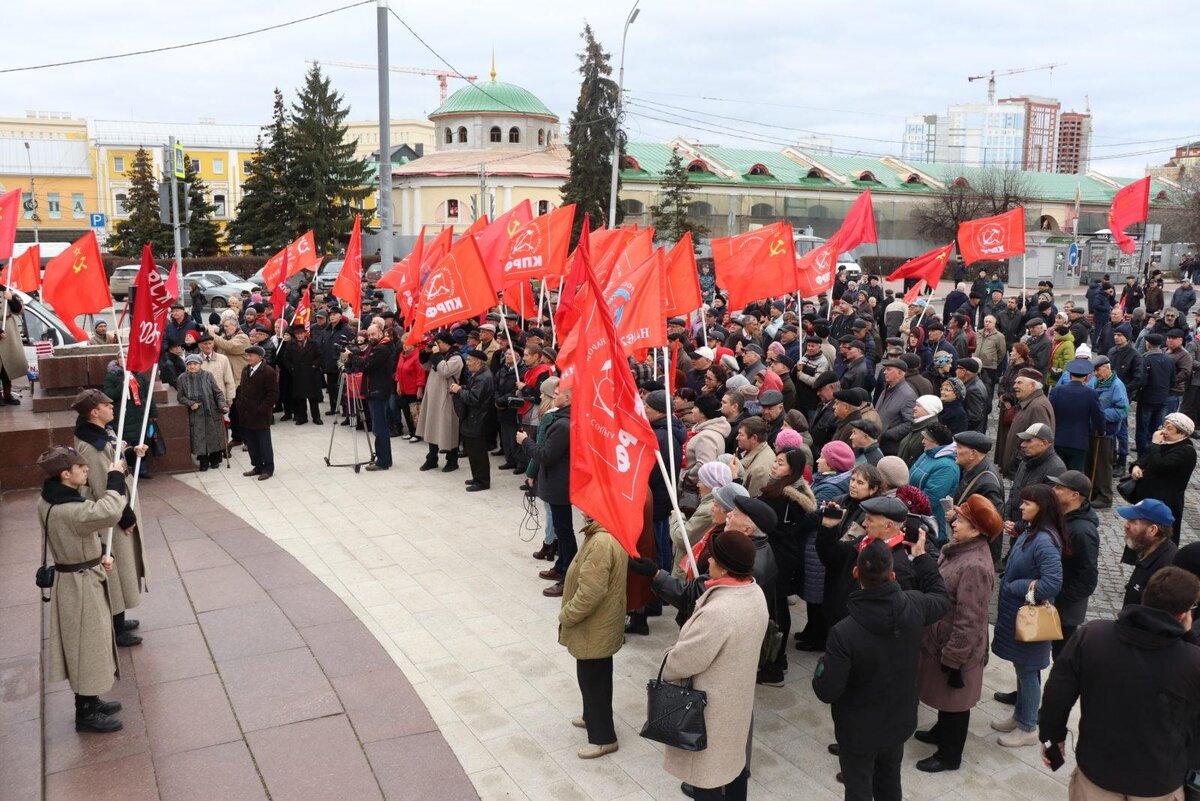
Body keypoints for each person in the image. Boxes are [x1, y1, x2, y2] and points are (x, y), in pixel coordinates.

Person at [1040, 566, 1200, 801]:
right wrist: (1186, 636)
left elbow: (1057, 693)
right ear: (1183, 614)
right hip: (1157, 782)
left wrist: (1052, 737)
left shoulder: (1092, 636)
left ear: (1145, 598)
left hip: (1097, 774)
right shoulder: (1192, 662)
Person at [813, 532, 950, 797]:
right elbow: (941, 598)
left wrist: (824, 663)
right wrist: (922, 559)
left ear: (856, 573)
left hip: (857, 729)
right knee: (889, 782)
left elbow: (826, 689)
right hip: (898, 720)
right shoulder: (915, 604)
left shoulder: (845, 632)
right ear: (893, 575)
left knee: (858, 789)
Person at [658, 530, 768, 801]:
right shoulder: (755, 594)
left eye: (713, 558)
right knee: (734, 766)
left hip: (711, 709)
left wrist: (666, 661)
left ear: (724, 565)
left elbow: (685, 660)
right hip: (737, 700)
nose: (708, 562)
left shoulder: (720, 612)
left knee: (707, 778)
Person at [37, 446, 131, 734]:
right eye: (81, 468)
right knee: (86, 646)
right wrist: (115, 479)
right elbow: (110, 511)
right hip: (80, 584)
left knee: (90, 643)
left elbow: (79, 535)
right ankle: (85, 713)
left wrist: (97, 553)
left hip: (79, 573)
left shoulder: (48, 501)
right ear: (66, 475)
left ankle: (91, 700)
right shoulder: (72, 510)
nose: (86, 469)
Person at [913, 494, 999, 773]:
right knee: (945, 697)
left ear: (976, 530)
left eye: (960, 520)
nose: (954, 523)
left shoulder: (974, 565)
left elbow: (970, 618)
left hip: (956, 648)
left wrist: (954, 656)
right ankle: (941, 731)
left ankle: (950, 756)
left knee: (955, 702)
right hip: (942, 639)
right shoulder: (962, 549)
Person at [990, 484, 1065, 747]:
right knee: (1022, 668)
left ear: (1041, 508)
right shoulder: (1033, 531)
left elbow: (1052, 583)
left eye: (1027, 503)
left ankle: (1028, 726)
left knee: (1028, 671)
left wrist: (1018, 587)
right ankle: (1021, 715)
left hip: (1029, 618)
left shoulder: (1044, 540)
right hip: (1017, 615)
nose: (1021, 507)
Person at [71, 389, 146, 648]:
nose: (112, 407)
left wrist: (131, 452)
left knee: (121, 567)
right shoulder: (92, 443)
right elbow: (103, 485)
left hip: (117, 504)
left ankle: (119, 616)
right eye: (107, 405)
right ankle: (115, 626)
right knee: (113, 568)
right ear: (94, 412)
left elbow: (113, 462)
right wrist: (125, 516)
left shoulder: (102, 433)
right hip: (111, 512)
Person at [559, 519, 628, 760]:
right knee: (591, 675)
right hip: (597, 625)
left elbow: (591, 592)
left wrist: (567, 614)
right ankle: (590, 716)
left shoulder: (601, 541)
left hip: (595, 625)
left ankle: (603, 738)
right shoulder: (601, 533)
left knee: (594, 679)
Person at [756, 447, 817, 684]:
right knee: (778, 606)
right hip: (783, 554)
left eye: (780, 464)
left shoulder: (784, 496)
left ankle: (774, 665)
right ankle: (777, 658)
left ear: (793, 469)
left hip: (778, 557)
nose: (774, 466)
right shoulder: (793, 490)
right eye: (776, 461)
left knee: (776, 610)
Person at [518, 387, 575, 597]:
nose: (553, 396)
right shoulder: (560, 418)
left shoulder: (563, 425)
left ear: (568, 398)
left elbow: (545, 454)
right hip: (555, 481)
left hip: (560, 484)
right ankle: (561, 566)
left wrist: (525, 442)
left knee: (564, 530)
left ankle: (568, 575)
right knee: (561, 529)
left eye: (558, 392)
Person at [1047, 471, 1100, 657]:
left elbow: (1087, 579)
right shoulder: (1062, 515)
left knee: (1061, 658)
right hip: (1053, 603)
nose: (1053, 490)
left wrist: (1059, 597)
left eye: (1059, 487)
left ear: (1075, 495)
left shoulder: (1083, 531)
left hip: (1064, 610)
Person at [1129, 412, 1197, 543]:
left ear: (1182, 433)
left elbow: (1159, 465)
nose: (1164, 431)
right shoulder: (1163, 443)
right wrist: (1136, 467)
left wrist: (1155, 444)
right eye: (1164, 427)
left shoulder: (1186, 451)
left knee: (1158, 541)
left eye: (1169, 428)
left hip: (1166, 504)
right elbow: (1143, 459)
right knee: (1140, 539)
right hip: (1148, 499)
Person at [951, 431, 1006, 564]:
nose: (954, 451)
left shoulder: (988, 482)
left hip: (976, 555)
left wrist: (954, 517)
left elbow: (991, 522)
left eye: (959, 447)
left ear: (973, 454)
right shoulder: (973, 469)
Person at [349, 323, 397, 472]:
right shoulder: (379, 347)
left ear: (381, 333)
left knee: (379, 427)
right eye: (369, 335)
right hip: (375, 389)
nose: (370, 337)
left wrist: (352, 356)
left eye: (373, 334)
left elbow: (366, 365)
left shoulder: (382, 349)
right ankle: (384, 458)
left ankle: (383, 461)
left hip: (378, 390)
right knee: (379, 426)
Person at [1120, 498, 1180, 607]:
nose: (1126, 525)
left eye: (1133, 521)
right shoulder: (1148, 550)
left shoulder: (1166, 569)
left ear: (1152, 530)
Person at [418, 333, 464, 472]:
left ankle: (452, 461)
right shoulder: (439, 355)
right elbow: (425, 366)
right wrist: (426, 352)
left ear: (446, 343)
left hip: (447, 397)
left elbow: (444, 371)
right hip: (433, 396)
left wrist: (436, 355)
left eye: (438, 343)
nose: (436, 345)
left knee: (448, 429)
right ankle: (432, 459)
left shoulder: (456, 358)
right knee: (432, 426)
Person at [1048, 357, 1104, 472]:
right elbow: (1098, 416)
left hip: (1058, 438)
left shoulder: (1057, 391)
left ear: (1070, 375)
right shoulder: (1091, 394)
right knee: (1075, 474)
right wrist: (1101, 430)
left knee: (1057, 472)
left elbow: (1050, 413)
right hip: (1079, 441)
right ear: (1086, 377)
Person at [908, 423, 960, 543]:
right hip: (916, 516)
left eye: (926, 438)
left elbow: (930, 498)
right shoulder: (928, 453)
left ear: (936, 443)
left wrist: (907, 504)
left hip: (931, 525)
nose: (922, 442)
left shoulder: (946, 467)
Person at [175, 353, 228, 471]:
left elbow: (217, 393)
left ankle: (215, 460)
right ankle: (203, 461)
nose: (192, 366)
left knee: (213, 435)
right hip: (196, 413)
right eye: (190, 364)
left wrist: (222, 405)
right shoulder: (182, 378)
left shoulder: (208, 376)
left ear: (200, 365)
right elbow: (180, 397)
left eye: (195, 364)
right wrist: (190, 403)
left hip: (211, 411)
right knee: (199, 438)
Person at [1000, 369, 1055, 476]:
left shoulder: (1037, 407)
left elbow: (1040, 442)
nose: (1015, 386)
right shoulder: (1030, 403)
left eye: (1019, 382)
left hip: (1026, 469)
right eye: (1015, 382)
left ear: (1032, 385)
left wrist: (1018, 462)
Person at [236, 345, 279, 481]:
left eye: (251, 355)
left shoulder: (267, 371)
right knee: (251, 443)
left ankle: (268, 468)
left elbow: (273, 393)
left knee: (263, 443)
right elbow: (242, 389)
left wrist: (263, 408)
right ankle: (257, 466)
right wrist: (239, 403)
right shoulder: (245, 370)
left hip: (260, 415)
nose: (248, 358)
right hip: (247, 413)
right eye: (247, 355)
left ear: (260, 357)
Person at [1137, 332, 1174, 453]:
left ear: (1148, 344)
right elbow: (1173, 381)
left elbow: (1141, 380)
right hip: (1162, 398)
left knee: (1142, 429)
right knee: (1154, 428)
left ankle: (1142, 457)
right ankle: (1152, 453)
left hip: (1147, 399)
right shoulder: (1169, 360)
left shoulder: (1145, 359)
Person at [734, 416, 774, 496]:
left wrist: (734, 477)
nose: (737, 438)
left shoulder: (760, 470)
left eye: (741, 435)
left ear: (754, 438)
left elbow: (750, 503)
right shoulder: (755, 451)